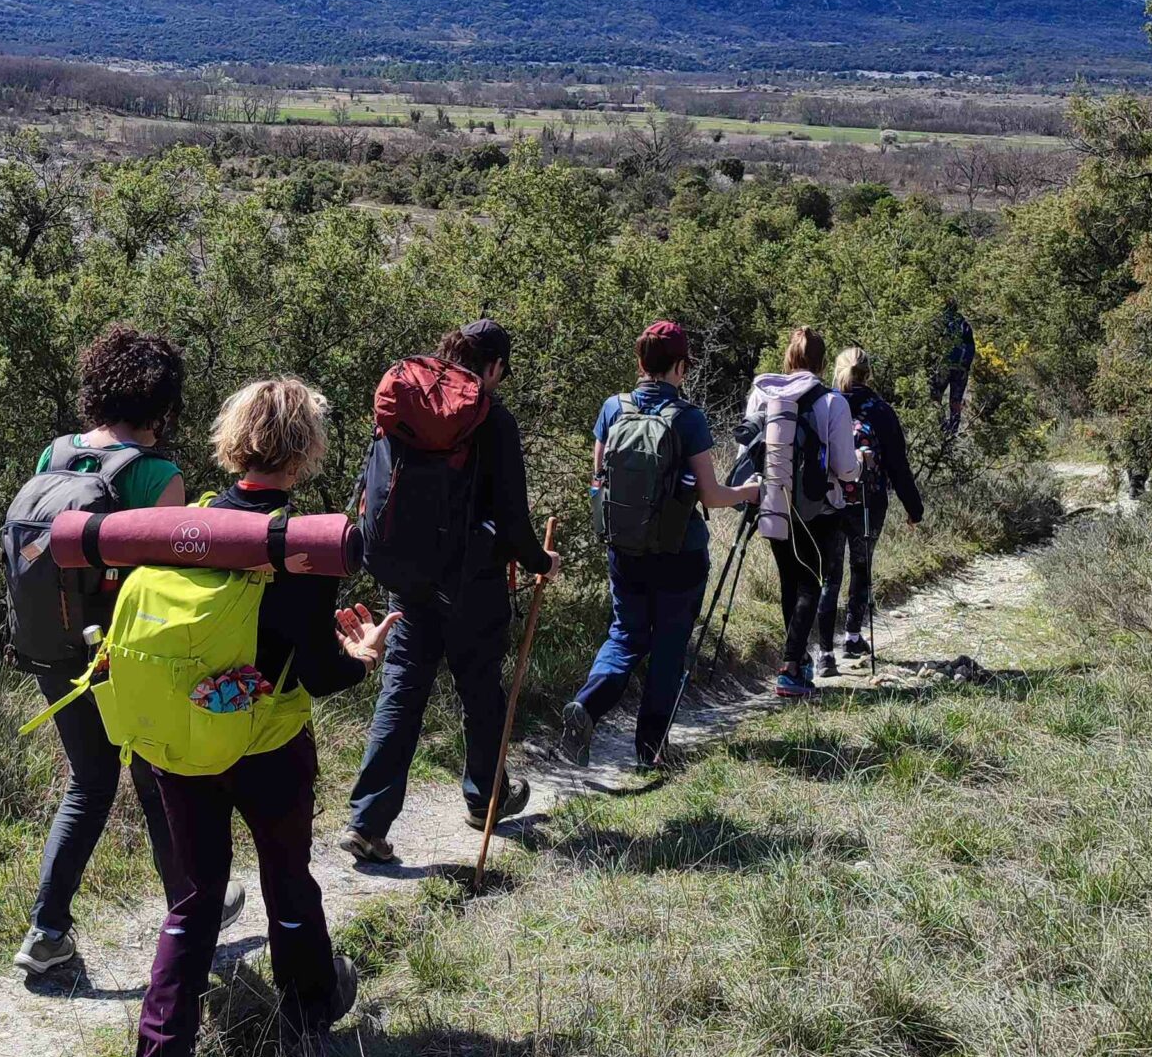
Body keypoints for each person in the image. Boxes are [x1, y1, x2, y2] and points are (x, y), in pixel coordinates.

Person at [125, 377, 395, 1057]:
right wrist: (363, 657)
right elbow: (316, 671)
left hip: (180, 743)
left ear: (232, 439)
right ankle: (309, 1011)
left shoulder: (189, 523)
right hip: (269, 744)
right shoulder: (303, 541)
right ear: (304, 449)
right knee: (286, 874)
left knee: (194, 904)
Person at [13, 324, 243, 977]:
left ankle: (47, 932)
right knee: (155, 781)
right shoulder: (156, 475)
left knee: (89, 781)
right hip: (123, 658)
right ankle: (192, 915)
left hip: (50, 647)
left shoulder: (53, 456)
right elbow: (169, 593)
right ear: (162, 404)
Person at [340, 320, 556, 865]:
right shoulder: (492, 418)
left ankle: (368, 823)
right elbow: (512, 519)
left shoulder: (406, 401)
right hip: (472, 583)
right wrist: (540, 561)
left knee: (403, 690)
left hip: (409, 578)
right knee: (481, 689)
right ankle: (486, 800)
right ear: (496, 366)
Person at [560, 320, 760, 772]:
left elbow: (598, 482)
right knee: (669, 646)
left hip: (624, 549)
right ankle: (650, 750)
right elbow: (711, 496)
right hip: (679, 553)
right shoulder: (688, 419)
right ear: (681, 368)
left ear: (639, 362)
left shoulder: (613, 408)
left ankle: (587, 707)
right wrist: (750, 491)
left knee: (625, 634)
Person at [743, 326, 861, 697]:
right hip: (817, 508)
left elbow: (747, 452)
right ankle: (792, 666)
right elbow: (844, 467)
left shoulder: (762, 395)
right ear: (823, 363)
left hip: (772, 500)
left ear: (788, 359)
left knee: (789, 581)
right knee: (811, 582)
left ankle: (799, 662)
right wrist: (860, 462)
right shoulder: (832, 402)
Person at [817, 346, 924, 661]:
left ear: (837, 371)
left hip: (831, 500)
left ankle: (824, 655)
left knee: (830, 574)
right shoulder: (880, 410)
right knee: (861, 568)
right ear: (869, 373)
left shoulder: (825, 405)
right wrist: (914, 510)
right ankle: (852, 637)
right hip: (869, 501)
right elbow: (898, 466)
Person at [931, 301, 976, 438]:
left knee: (935, 398)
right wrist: (965, 367)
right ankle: (953, 432)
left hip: (943, 367)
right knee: (955, 402)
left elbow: (933, 346)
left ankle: (941, 428)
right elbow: (971, 348)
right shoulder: (964, 324)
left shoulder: (939, 322)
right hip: (961, 369)